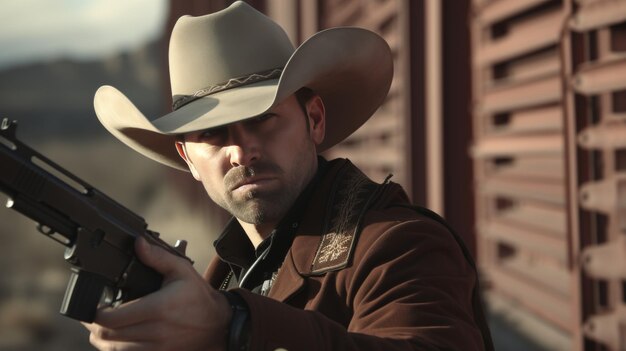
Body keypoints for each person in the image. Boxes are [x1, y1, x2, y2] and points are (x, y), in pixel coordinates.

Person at [85, 1, 493, 350]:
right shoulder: (227, 275)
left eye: (263, 120)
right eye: (212, 133)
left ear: (314, 120)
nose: (242, 152)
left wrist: (234, 325)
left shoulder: (401, 245)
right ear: (188, 159)